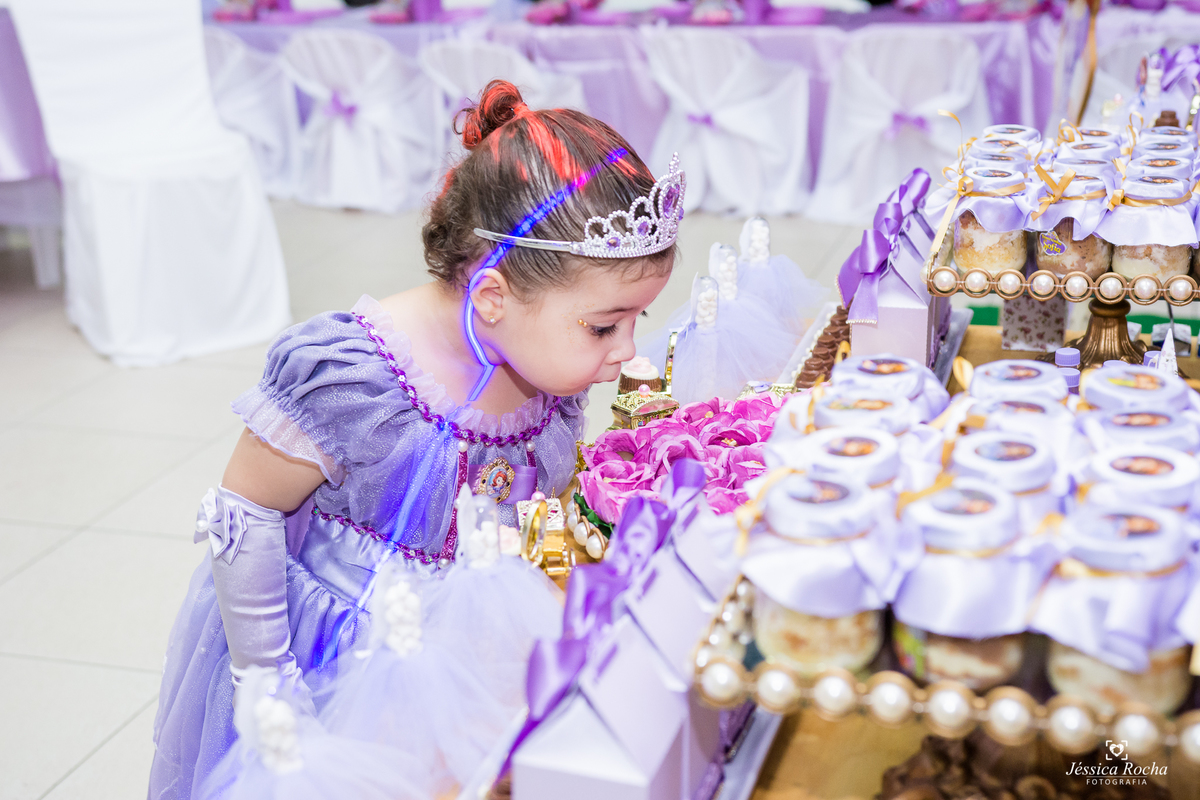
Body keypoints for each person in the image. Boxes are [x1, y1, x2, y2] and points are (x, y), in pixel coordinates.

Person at [149, 79, 681, 800]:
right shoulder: (351, 378)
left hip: (468, 652)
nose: (626, 349)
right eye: (604, 325)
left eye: (636, 320)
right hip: (334, 666)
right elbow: (245, 514)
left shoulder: (543, 361)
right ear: (492, 297)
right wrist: (268, 679)